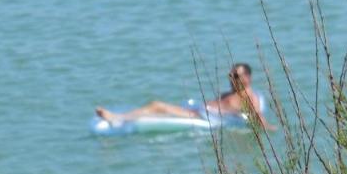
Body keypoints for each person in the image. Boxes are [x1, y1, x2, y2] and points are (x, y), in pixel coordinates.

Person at [96, 63, 272, 128]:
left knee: (157, 105)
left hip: (198, 116)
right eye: (230, 75)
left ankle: (117, 118)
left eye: (235, 76)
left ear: (247, 78)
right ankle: (123, 117)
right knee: (158, 107)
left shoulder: (248, 97)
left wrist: (270, 129)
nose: (231, 79)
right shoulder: (234, 93)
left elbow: (258, 116)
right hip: (198, 110)